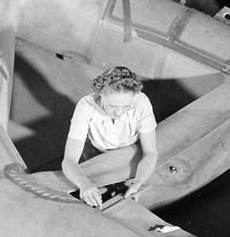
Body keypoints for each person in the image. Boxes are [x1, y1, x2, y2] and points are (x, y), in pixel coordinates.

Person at [62, 66, 158, 209]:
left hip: (130, 152)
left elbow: (150, 152)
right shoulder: (85, 106)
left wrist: (138, 182)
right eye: (111, 106)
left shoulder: (141, 102)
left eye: (126, 107)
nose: (119, 113)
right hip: (96, 151)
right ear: (100, 93)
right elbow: (69, 160)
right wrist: (85, 184)